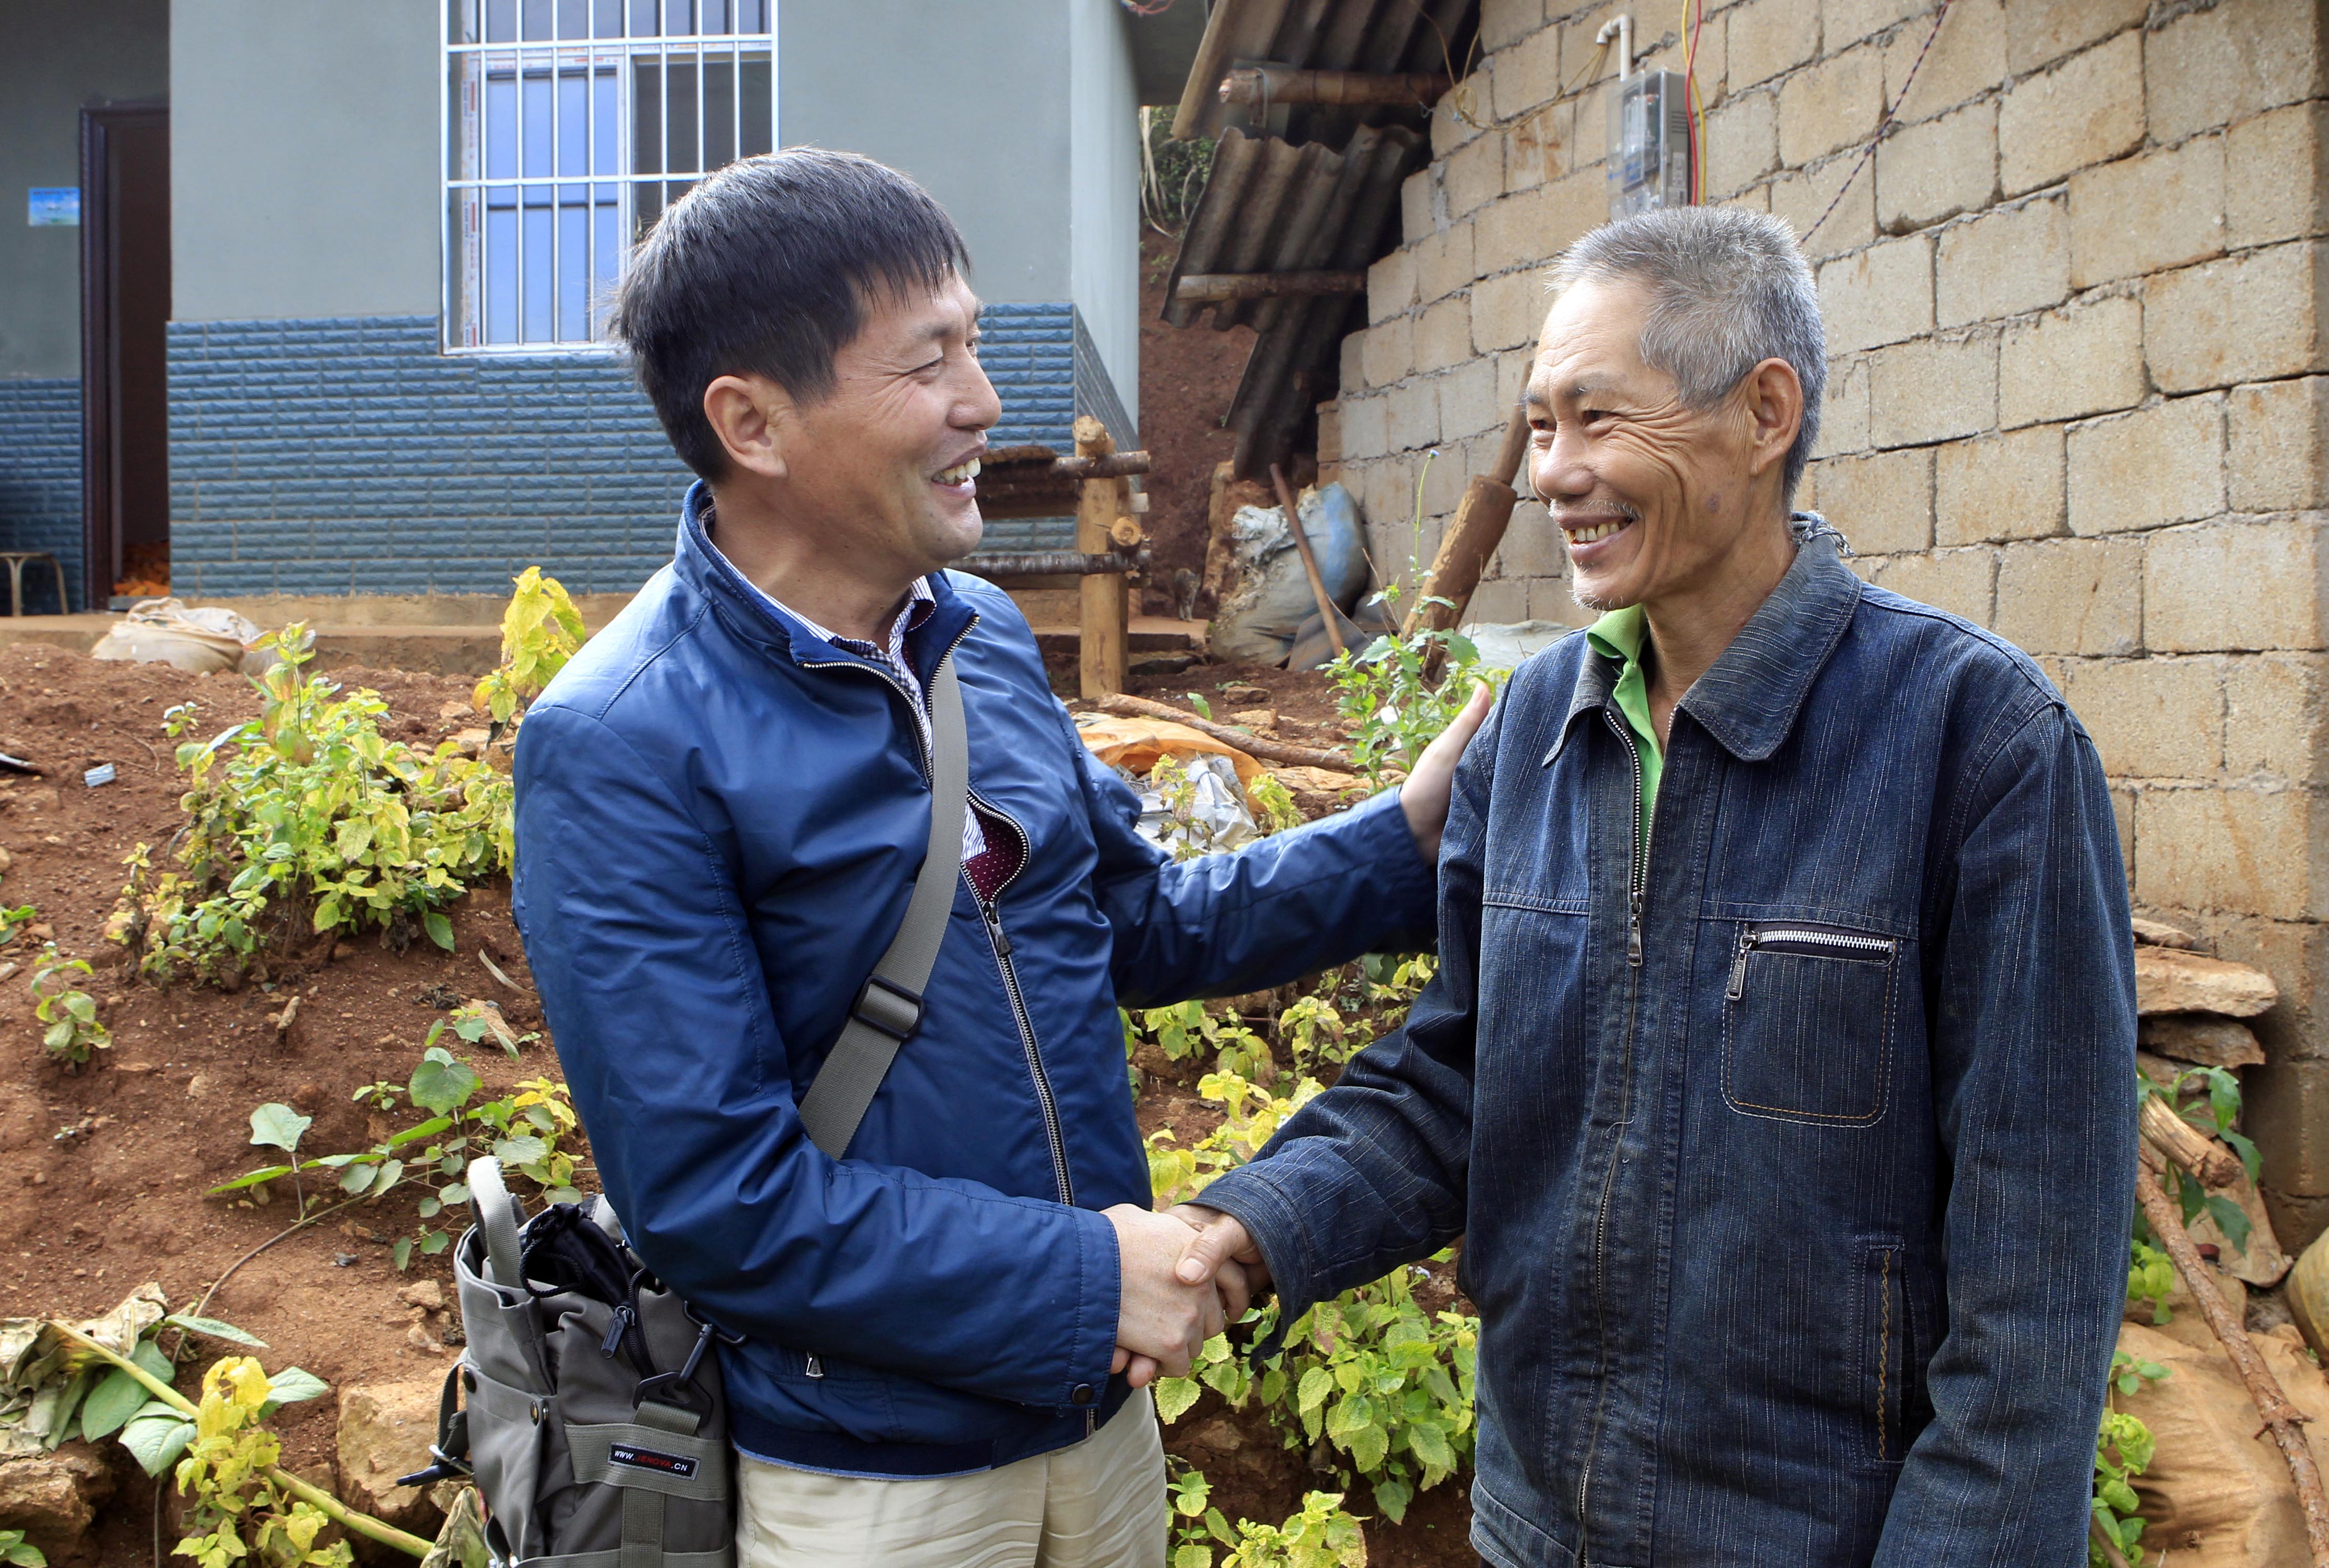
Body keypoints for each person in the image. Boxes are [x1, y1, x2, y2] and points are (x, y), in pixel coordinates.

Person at [508, 147, 1487, 1568]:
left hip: (1094, 1434)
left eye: (974, 343)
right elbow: (718, 1198)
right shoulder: (623, 739)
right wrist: (1088, 1275)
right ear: (753, 421)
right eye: (930, 362)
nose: (983, 402)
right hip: (875, 1490)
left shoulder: (977, 640)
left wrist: (1403, 835)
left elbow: (1136, 926)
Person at [1174, 205, 2138, 1566]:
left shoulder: (1977, 746)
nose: (1557, 473)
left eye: (1596, 419)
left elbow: (2032, 1298)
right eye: (1540, 425)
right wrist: (1242, 1233)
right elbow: (1458, 1081)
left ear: (1762, 412)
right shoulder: (1532, 734)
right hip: (1536, 1523)